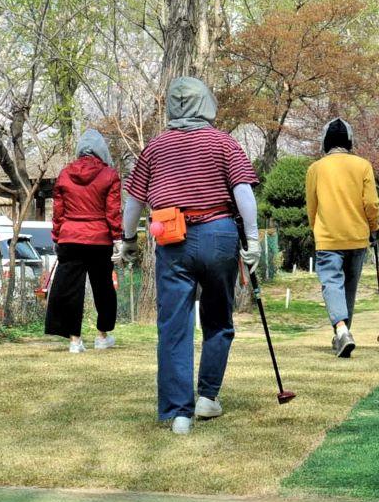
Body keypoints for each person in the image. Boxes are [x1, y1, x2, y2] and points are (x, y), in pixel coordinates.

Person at [118, 77, 260, 435]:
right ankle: (207, 397)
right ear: (207, 105)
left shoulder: (154, 148)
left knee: (174, 325)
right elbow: (243, 192)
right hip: (219, 234)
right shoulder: (224, 143)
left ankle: (179, 413)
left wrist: (128, 239)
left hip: (171, 235)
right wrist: (253, 239)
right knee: (218, 318)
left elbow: (134, 200)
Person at [305, 118, 379, 358]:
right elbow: (371, 203)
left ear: (325, 141)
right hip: (358, 236)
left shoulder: (315, 168)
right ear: (349, 140)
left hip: (328, 237)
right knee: (349, 288)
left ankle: (341, 330)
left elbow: (311, 206)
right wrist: (374, 227)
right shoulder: (363, 165)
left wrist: (314, 229)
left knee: (332, 285)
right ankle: (343, 334)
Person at [45, 129, 122, 353]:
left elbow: (58, 211)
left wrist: (57, 236)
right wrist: (117, 237)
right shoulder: (109, 175)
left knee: (70, 290)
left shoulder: (64, 174)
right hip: (100, 239)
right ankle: (102, 336)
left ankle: (74, 341)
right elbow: (113, 212)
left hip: (70, 237)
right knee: (104, 288)